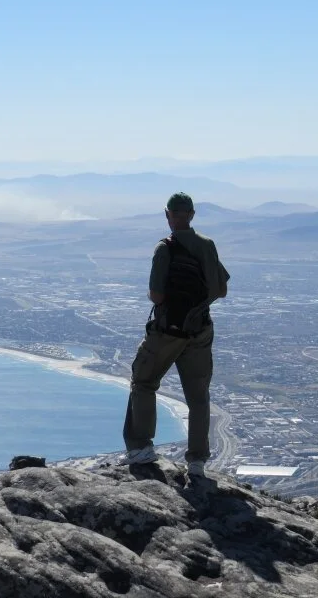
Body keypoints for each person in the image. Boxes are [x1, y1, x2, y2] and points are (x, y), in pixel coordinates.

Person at [122, 192, 230, 477]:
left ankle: (141, 448)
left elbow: (157, 295)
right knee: (198, 396)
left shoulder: (165, 248)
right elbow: (221, 290)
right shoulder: (207, 245)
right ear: (192, 214)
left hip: (168, 331)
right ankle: (197, 462)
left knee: (143, 382)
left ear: (167, 215)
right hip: (201, 329)